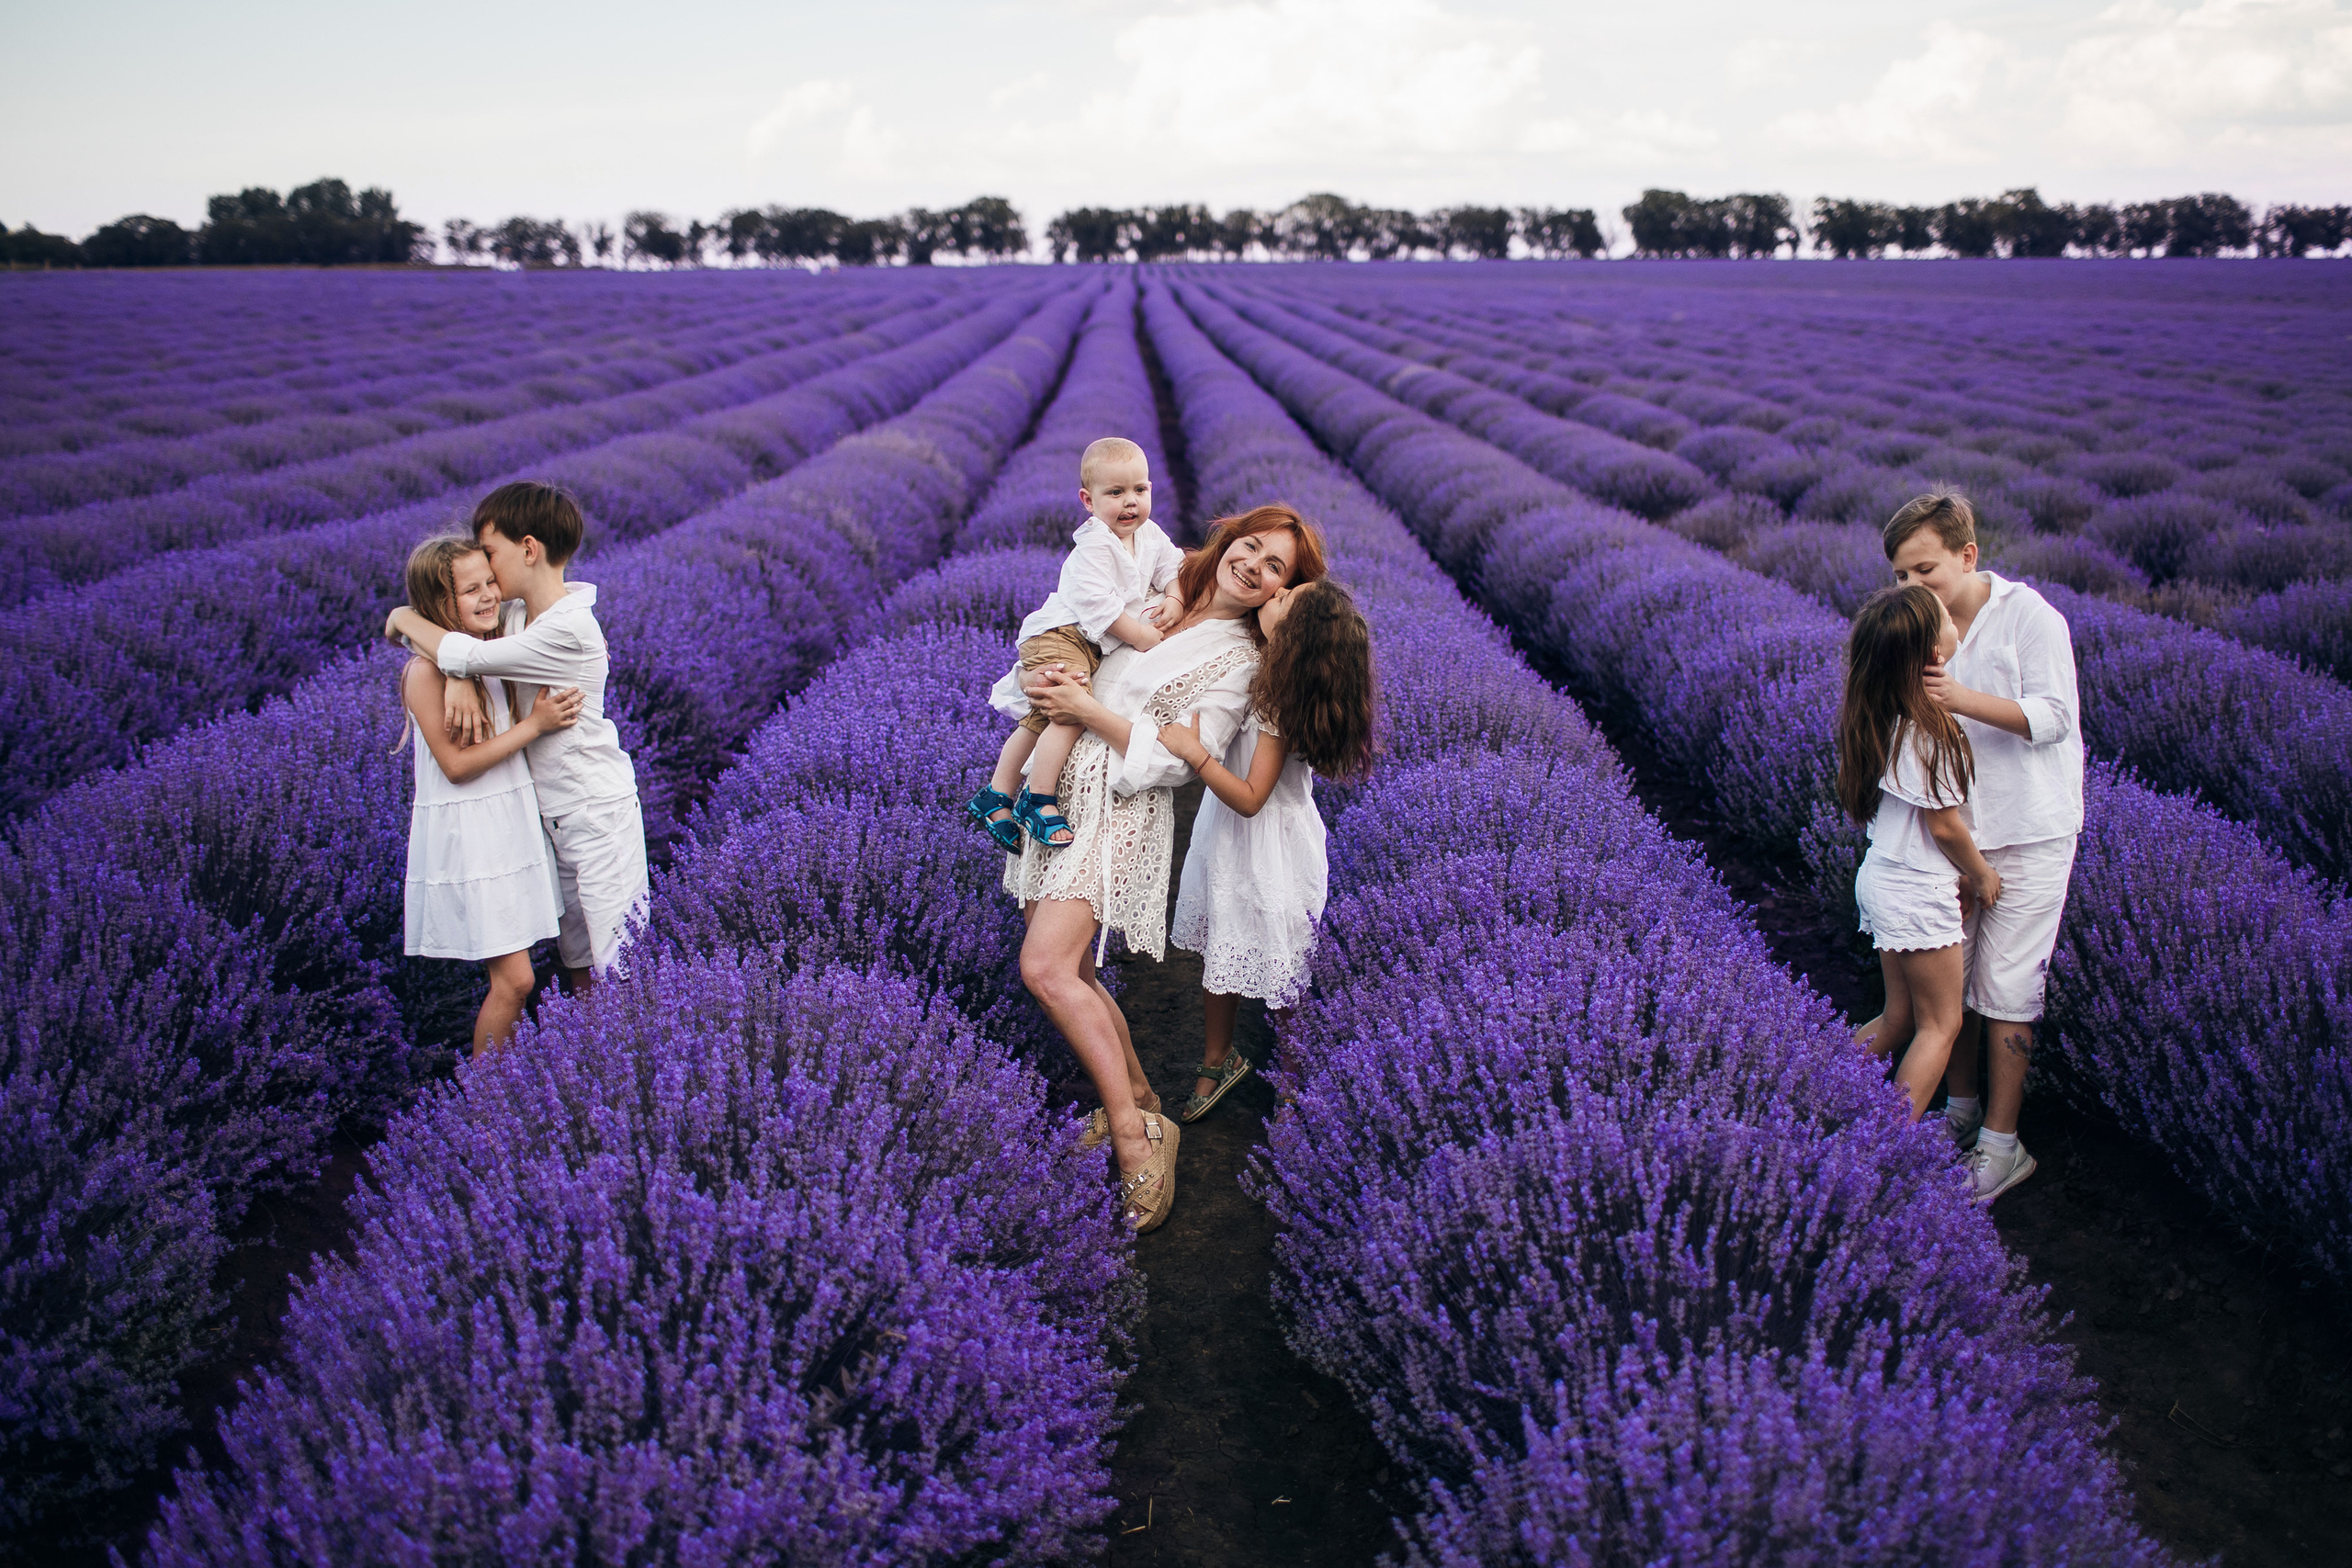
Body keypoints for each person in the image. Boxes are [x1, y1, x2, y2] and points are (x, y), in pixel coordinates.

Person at [1014, 505, 1325, 1233]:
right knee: (1076, 973)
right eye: (1251, 545)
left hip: (1118, 805)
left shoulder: (1244, 662)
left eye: (1274, 567)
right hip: (1056, 780)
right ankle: (1145, 1099)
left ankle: (1135, 1134)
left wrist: (1086, 708)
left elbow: (1170, 756)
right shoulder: (1164, 595)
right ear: (1229, 540)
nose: (1252, 564)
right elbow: (1075, 608)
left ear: (1282, 590)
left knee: (1047, 969)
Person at [1886, 487, 2083, 1204]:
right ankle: (1959, 1113)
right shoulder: (1916, 630)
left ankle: (2003, 1146)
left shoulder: (2030, 618)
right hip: (1958, 831)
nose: (1912, 587)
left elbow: (2054, 717)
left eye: (1925, 570)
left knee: (2009, 990)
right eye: (1900, 576)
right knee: (1956, 982)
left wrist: (1956, 697)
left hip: (2030, 829)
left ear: (1968, 555)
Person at [384, 481, 649, 990]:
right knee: (577, 962)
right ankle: (589, 1064)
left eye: (490, 553)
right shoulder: (520, 615)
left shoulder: (565, 629)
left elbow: (463, 650)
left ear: (528, 549)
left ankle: (629, 1066)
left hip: (595, 814)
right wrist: (420, 636)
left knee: (617, 966)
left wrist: (429, 642)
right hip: (547, 817)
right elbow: (453, 634)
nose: (486, 574)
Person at [1159, 579, 1377, 1123]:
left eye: (1284, 600)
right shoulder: (1270, 669)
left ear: (1296, 636)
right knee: (1223, 943)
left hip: (1267, 843)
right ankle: (1219, 1058)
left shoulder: (1280, 698)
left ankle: (1291, 1077)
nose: (1271, 595)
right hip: (1231, 834)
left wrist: (1195, 755)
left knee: (1282, 966)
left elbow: (1254, 798)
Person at [393, 534, 581, 1055]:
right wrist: (535, 725)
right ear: (438, 605)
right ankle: (485, 1111)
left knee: (520, 977)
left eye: (489, 581)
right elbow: (455, 767)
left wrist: (459, 666)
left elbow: (408, 624)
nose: (488, 595)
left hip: (507, 824)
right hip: (474, 835)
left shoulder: (489, 648)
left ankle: (494, 1097)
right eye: (469, 589)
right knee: (516, 980)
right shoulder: (424, 673)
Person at [1839, 584, 2006, 1146]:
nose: (1953, 619)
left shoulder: (1887, 713)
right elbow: (1944, 826)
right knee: (1942, 1025)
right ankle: (1882, 1150)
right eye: (1945, 619)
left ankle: (1810, 1088)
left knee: (1898, 1018)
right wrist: (1980, 873)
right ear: (1934, 654)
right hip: (1914, 888)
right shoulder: (1933, 729)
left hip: (1883, 876)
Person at [969, 437, 1185, 852]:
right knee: (1071, 709)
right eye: (1115, 493)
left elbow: (1173, 565)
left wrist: (1174, 595)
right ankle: (1039, 798)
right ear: (1088, 500)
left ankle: (995, 795)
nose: (1130, 503)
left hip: (1086, 644)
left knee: (1040, 716)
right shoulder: (1093, 547)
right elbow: (1098, 608)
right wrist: (1141, 635)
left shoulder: (1150, 536)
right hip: (1061, 634)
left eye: (1140, 490)